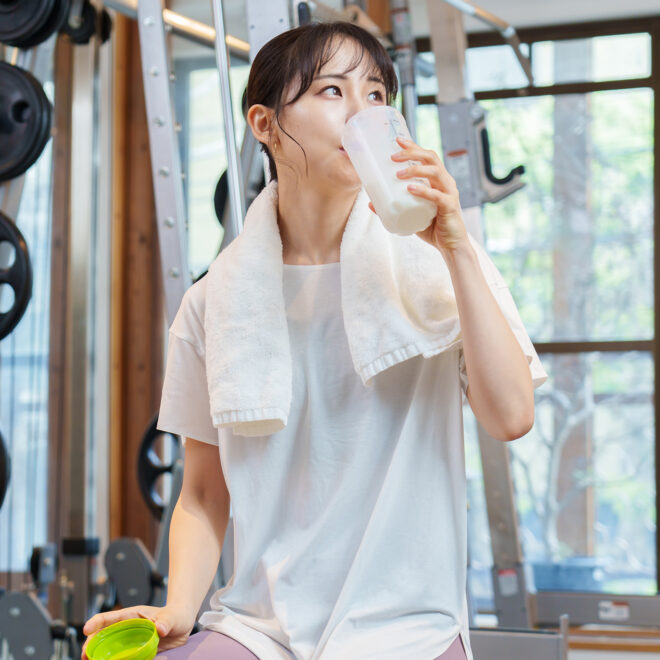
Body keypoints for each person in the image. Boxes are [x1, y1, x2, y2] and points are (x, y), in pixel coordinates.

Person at [82, 21, 546, 660]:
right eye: (333, 91)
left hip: (409, 628)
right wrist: (179, 609)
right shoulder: (214, 301)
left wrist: (458, 249)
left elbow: (512, 416)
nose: (364, 113)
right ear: (266, 126)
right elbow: (204, 492)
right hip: (260, 627)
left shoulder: (442, 263)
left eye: (378, 96)